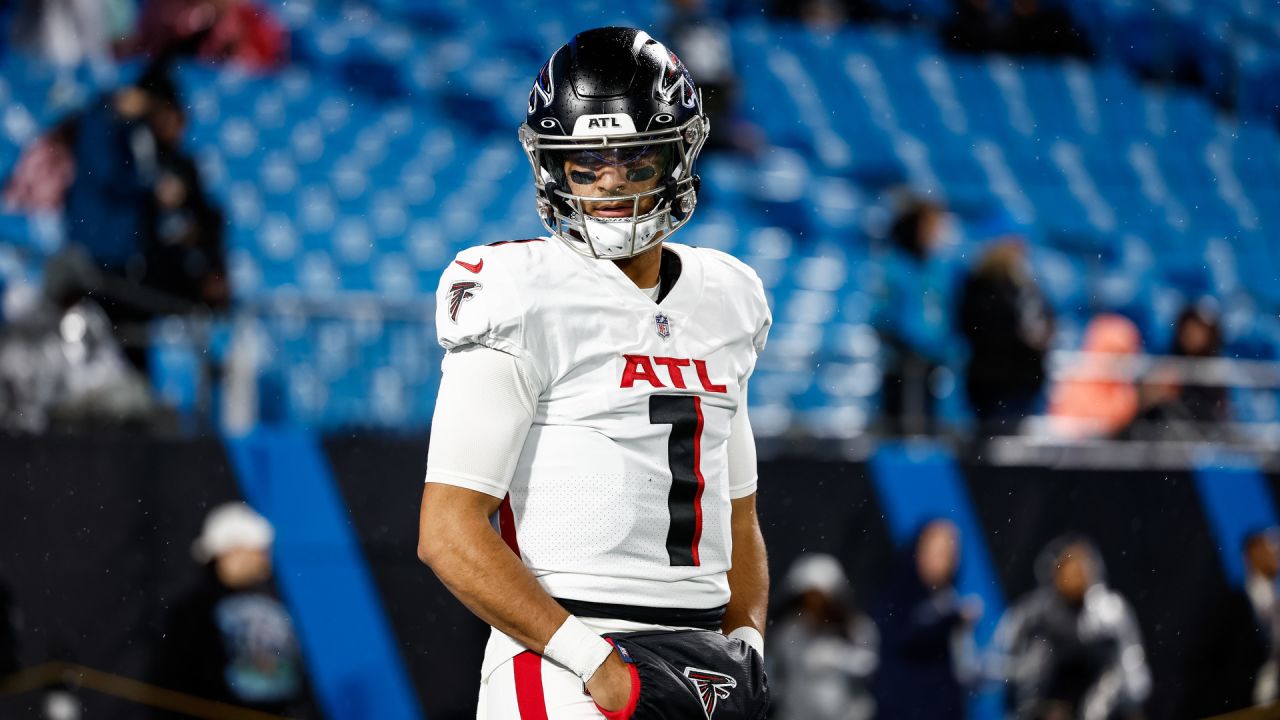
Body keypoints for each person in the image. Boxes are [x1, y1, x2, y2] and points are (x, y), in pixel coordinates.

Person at [417, 28, 772, 719]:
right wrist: (596, 665)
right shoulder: (518, 290)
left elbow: (738, 513)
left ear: (677, 154)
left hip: (704, 667)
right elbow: (447, 531)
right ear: (554, 167)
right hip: (568, 659)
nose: (609, 182)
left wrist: (748, 646)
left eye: (634, 159)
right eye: (586, 164)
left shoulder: (730, 297)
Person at [151, 502, 315, 718]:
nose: (263, 558)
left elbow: (292, 682)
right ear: (230, 552)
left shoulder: (274, 604)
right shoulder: (193, 611)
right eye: (255, 550)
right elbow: (175, 683)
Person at [996, 536, 1150, 720]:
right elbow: (1009, 658)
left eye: (1081, 570)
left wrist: (1132, 706)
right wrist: (1037, 706)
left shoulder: (1107, 615)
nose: (1076, 576)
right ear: (1056, 573)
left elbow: (1128, 665)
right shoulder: (1036, 616)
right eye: (1070, 570)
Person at [872, 519, 981, 719]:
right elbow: (907, 638)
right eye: (938, 552)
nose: (946, 561)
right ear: (918, 551)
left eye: (951, 553)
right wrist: (951, 621)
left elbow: (963, 672)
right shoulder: (897, 597)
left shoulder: (949, 600)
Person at [875, 197, 955, 436]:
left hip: (931, 364)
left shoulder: (938, 269)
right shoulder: (895, 266)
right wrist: (904, 344)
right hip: (901, 365)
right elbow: (882, 315)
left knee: (929, 430)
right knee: (899, 431)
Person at [957, 237, 1054, 434]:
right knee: (995, 438)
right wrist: (1020, 337)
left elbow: (1047, 317)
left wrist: (1043, 334)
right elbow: (979, 329)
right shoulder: (981, 287)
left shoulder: (1027, 287)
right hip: (993, 380)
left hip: (1024, 378)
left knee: (1015, 439)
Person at [770, 554, 878, 720]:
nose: (815, 605)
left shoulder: (857, 628)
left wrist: (838, 657)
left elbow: (869, 665)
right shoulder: (787, 631)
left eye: (821, 598)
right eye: (809, 599)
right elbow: (772, 674)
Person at [1182, 528, 1278, 715]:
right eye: (1270, 545)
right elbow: (1205, 662)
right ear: (1252, 554)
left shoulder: (1275, 607)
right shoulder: (1233, 606)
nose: (1276, 552)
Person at [1047, 314, 1142, 439]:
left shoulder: (1127, 390)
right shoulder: (1075, 382)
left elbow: (1120, 419)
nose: (1115, 361)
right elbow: (1063, 428)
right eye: (1111, 352)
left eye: (1122, 354)